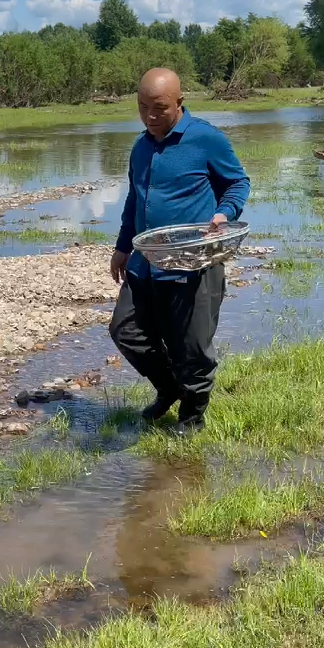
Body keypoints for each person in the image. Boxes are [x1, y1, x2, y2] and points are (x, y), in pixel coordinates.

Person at [109, 67, 250, 434]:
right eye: (143, 107)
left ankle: (192, 416)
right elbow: (134, 199)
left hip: (194, 263)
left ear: (179, 103)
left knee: (192, 346)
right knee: (125, 330)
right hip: (145, 263)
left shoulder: (206, 139)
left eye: (159, 108)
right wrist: (123, 247)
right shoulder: (141, 147)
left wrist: (224, 212)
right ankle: (169, 387)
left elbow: (238, 182)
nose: (150, 117)